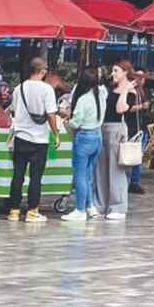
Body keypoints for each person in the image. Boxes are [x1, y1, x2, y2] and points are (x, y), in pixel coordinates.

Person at [4, 57, 60, 222]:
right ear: (43, 71)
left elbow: (14, 110)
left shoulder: (18, 89)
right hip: (39, 140)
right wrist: (56, 133)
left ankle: (13, 210)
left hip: (21, 137)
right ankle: (32, 210)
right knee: (36, 177)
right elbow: (51, 114)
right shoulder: (47, 90)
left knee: (18, 175)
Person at [95, 60, 138, 219]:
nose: (113, 74)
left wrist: (126, 90)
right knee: (101, 169)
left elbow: (121, 109)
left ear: (125, 72)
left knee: (115, 169)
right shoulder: (109, 89)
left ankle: (118, 206)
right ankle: (101, 204)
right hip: (103, 127)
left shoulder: (131, 92)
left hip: (116, 129)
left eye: (116, 70)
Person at [62, 67, 105, 221]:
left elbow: (76, 123)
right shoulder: (101, 94)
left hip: (84, 138)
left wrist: (67, 121)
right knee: (88, 174)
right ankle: (90, 206)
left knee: (80, 176)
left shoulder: (83, 99)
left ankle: (80, 209)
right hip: (97, 136)